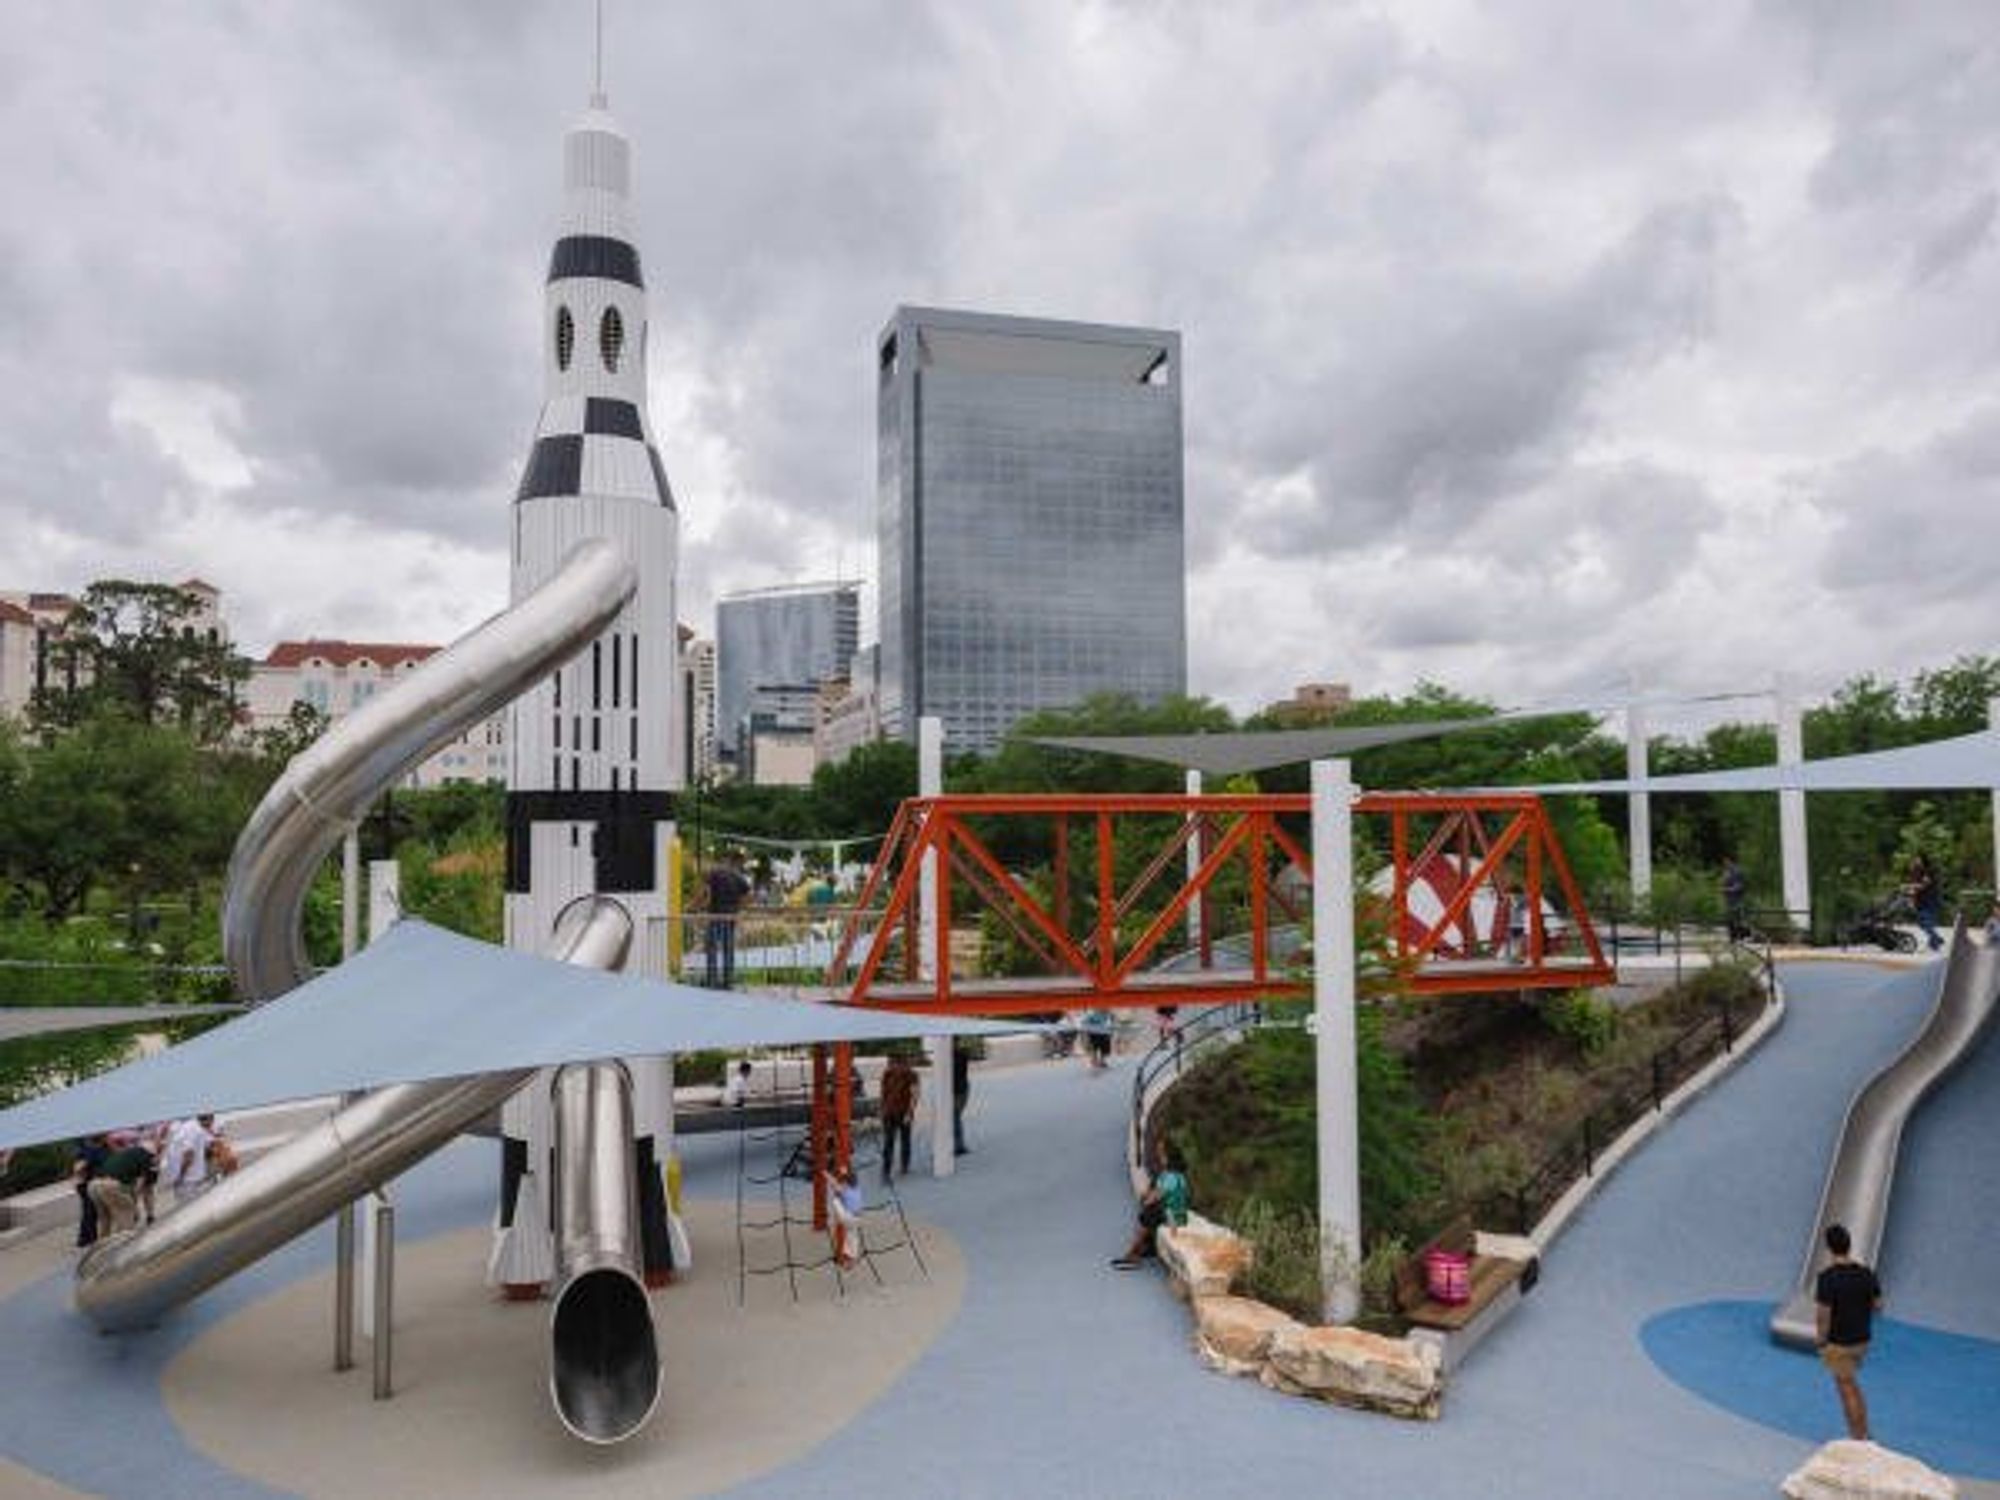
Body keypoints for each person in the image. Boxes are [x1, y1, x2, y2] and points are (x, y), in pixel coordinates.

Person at [1814, 1222, 1883, 1441]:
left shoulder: (1827, 1278)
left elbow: (1823, 1315)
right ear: (1849, 1246)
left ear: (1829, 1248)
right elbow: (1878, 1305)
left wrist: (1821, 1340)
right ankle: (1864, 1432)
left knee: (1846, 1389)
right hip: (1862, 1339)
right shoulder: (1866, 1274)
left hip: (1839, 1342)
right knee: (1852, 1384)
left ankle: (1858, 1436)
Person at [1112, 1146, 1191, 1268]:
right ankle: (1145, 1248)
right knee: (1150, 1213)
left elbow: (1157, 1195)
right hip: (1179, 1214)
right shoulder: (1179, 1176)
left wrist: (1146, 1200)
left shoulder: (1170, 1177)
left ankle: (1132, 1253)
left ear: (1169, 1160)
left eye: (1163, 1156)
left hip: (1172, 1216)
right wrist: (1148, 1197)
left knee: (1147, 1215)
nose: (1160, 1158)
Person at [86, 1138, 156, 1238]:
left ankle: (104, 1246)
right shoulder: (147, 1158)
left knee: (105, 1219)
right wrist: (148, 1214)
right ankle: (125, 1248)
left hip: (93, 1185)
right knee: (127, 1216)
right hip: (109, 1185)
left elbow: (131, 1186)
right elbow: (145, 1188)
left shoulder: (128, 1153)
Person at [702, 853, 752, 988]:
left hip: (715, 916)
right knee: (728, 949)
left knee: (712, 949)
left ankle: (711, 980)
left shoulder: (714, 873)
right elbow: (748, 895)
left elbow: (706, 894)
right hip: (730, 917)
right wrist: (740, 909)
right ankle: (728, 982)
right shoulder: (739, 877)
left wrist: (692, 906)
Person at [159, 1114, 217, 1208]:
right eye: (212, 1121)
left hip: (189, 1179)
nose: (212, 1124)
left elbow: (190, 1154)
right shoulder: (192, 1128)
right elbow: (189, 1155)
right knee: (191, 1208)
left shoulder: (192, 1128)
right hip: (188, 1179)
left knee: (189, 1208)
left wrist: (180, 1176)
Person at [878, 1051, 919, 1183]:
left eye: (891, 1062)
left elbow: (915, 1095)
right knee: (888, 1143)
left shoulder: (911, 1075)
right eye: (889, 1063)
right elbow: (883, 1093)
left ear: (900, 1063)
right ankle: (886, 1172)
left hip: (903, 1112)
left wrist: (909, 1112)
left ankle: (904, 1165)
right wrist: (882, 1109)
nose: (889, 1065)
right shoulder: (887, 1074)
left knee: (904, 1140)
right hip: (889, 1112)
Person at [70, 1134, 109, 1248]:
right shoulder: (87, 1151)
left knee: (89, 1211)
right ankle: (90, 1239)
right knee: (90, 1212)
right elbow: (77, 1168)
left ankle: (84, 1240)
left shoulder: (99, 1149)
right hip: (86, 1184)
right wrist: (85, 1164)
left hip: (89, 1183)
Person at [824, 1163, 864, 1268]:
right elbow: (850, 1178)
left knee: (835, 1200)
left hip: (848, 1217)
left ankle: (847, 1257)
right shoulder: (857, 1189)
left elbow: (834, 1183)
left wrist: (824, 1173)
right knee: (852, 1236)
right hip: (859, 1218)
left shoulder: (845, 1190)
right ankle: (851, 1259)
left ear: (846, 1183)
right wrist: (845, 1172)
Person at [1905, 854, 1943, 952]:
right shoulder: (1916, 873)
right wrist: (1911, 894)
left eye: (1917, 860)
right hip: (1921, 901)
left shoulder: (1928, 871)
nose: (1915, 862)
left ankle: (1936, 939)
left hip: (1930, 901)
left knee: (1926, 922)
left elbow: (1925, 885)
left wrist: (1911, 887)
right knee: (1922, 923)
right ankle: (1935, 943)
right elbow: (1916, 888)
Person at [951, 1041, 972, 1155]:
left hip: (959, 1090)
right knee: (955, 1118)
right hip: (959, 1089)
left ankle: (958, 1145)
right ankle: (958, 1145)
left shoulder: (959, 1056)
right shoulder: (961, 1054)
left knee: (955, 1117)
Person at [1721, 857, 1749, 941]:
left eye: (1726, 861)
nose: (1725, 863)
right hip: (1729, 900)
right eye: (1724, 862)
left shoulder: (1737, 871)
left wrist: (1727, 890)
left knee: (1738, 919)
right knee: (1730, 920)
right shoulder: (1727, 872)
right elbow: (1725, 883)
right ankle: (1733, 937)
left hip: (1736, 900)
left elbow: (1739, 886)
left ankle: (1742, 936)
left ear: (1731, 861)